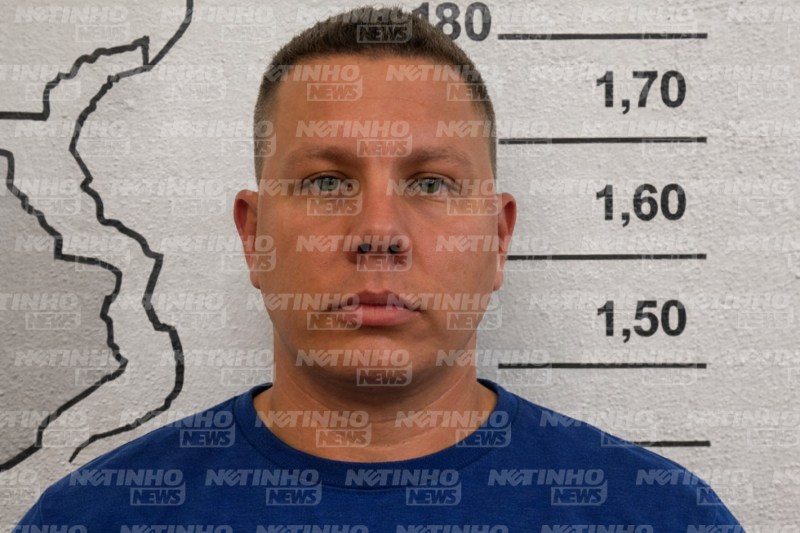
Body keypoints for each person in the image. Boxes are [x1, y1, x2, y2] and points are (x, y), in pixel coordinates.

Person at [15, 5, 743, 531]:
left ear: (497, 239)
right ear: (254, 236)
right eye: (327, 181)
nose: (379, 234)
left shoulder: (660, 515)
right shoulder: (93, 517)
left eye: (430, 183)